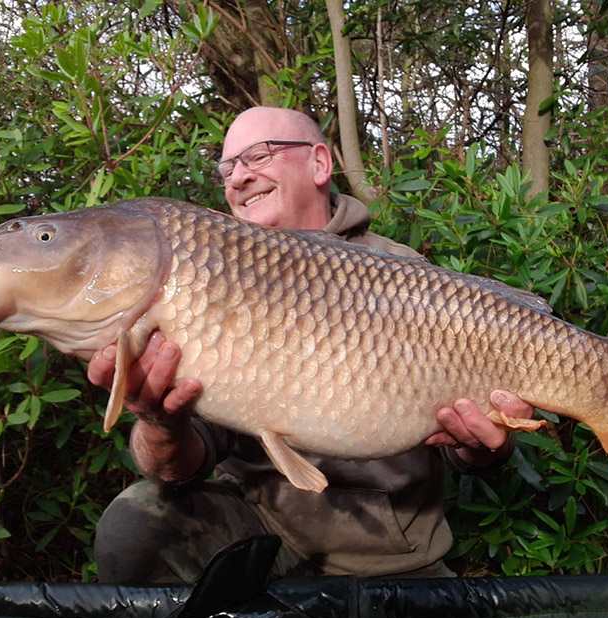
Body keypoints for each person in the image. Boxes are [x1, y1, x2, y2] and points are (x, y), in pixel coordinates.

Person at [89, 107, 535, 583]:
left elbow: (468, 452)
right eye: (227, 167)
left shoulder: (405, 272)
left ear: (320, 164)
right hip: (257, 538)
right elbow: (179, 468)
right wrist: (161, 422)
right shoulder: (206, 276)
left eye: (258, 155)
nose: (239, 176)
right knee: (133, 526)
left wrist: (482, 445)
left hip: (394, 559)